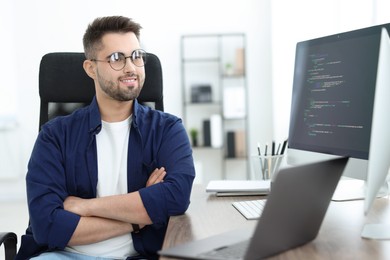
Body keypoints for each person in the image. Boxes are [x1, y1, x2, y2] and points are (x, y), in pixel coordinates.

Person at [16, 16, 195, 260]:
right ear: (91, 68)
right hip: (62, 255)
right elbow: (47, 226)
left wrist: (85, 206)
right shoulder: (54, 136)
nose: (131, 67)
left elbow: (175, 198)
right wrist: (138, 218)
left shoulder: (167, 130)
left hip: (137, 255)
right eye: (116, 58)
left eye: (136, 56)